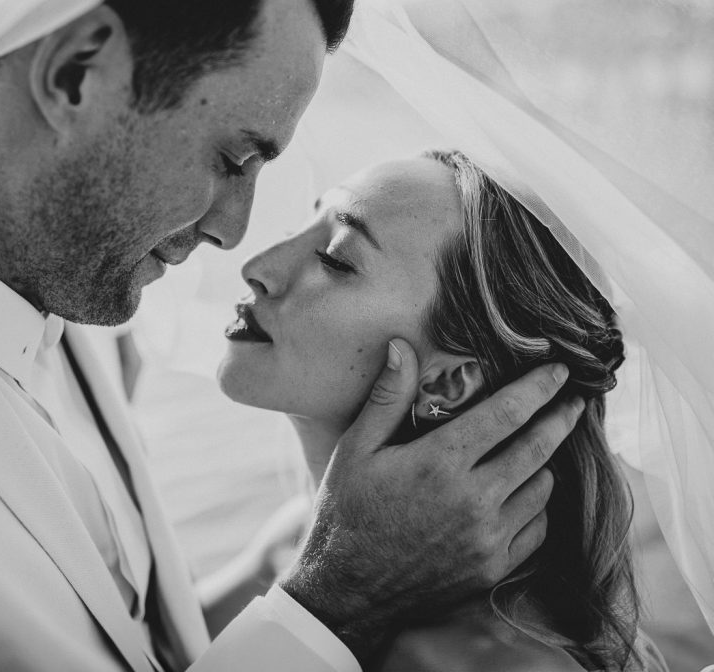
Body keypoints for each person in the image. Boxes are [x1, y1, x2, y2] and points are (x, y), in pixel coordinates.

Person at [0, 2, 582, 671]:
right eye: (233, 159)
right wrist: (337, 602)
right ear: (78, 73)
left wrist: (275, 566)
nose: (236, 234)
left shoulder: (59, 285)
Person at [218, 150, 670, 670]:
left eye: (336, 259)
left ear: (448, 381)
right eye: (306, 221)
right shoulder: (302, 539)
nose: (257, 268)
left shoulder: (476, 663)